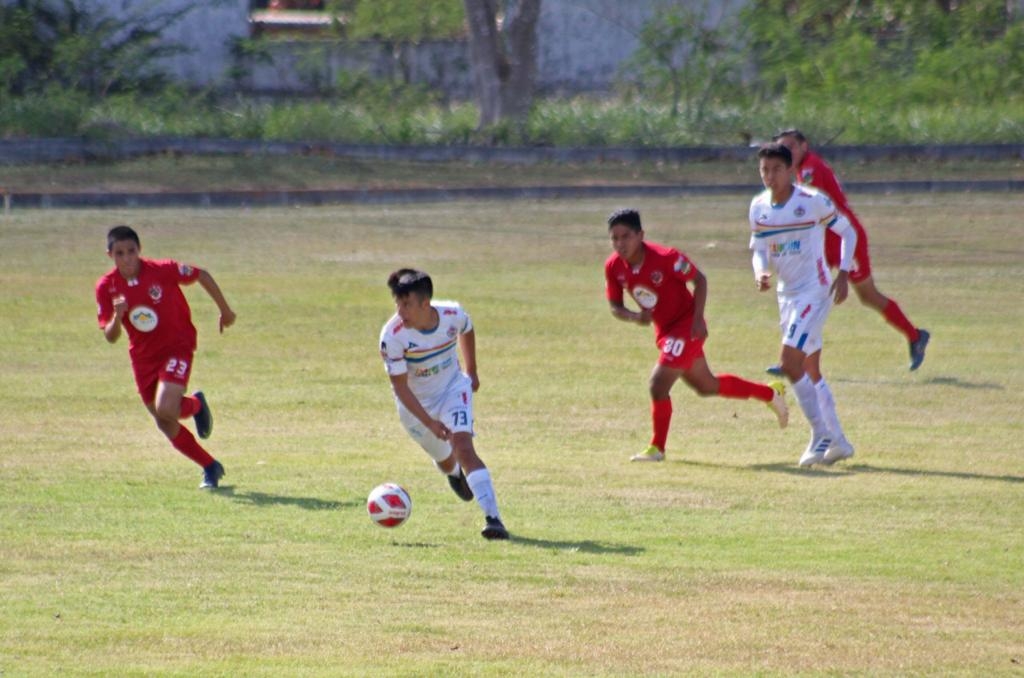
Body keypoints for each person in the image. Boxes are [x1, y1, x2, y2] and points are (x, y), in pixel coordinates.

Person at [604, 208, 789, 463]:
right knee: (706, 386)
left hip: (687, 327)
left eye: (626, 236)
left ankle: (657, 448)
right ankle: (770, 394)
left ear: (640, 235)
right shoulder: (613, 267)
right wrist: (636, 317)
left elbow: (699, 280)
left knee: (658, 385)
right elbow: (615, 306)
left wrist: (698, 319)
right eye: (614, 238)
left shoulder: (667, 257)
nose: (620, 243)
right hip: (666, 331)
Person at [766, 128, 930, 373]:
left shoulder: (810, 169)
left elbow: (804, 205)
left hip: (844, 239)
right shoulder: (800, 169)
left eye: (791, 146)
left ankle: (915, 336)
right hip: (823, 241)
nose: (786, 152)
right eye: (782, 148)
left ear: (804, 146)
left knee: (868, 295)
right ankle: (792, 360)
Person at [95, 225, 236, 488]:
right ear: (110, 255)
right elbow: (111, 336)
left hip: (177, 346)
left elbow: (201, 275)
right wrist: (117, 316)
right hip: (143, 357)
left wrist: (225, 311)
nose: (126, 258)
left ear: (140, 250)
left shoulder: (162, 270)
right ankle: (210, 465)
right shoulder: (107, 287)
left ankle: (194, 405)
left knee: (166, 408)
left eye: (131, 251)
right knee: (164, 421)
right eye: (120, 253)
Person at [379, 268, 509, 540]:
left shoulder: (451, 314)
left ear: (425, 304)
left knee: (463, 447)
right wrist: (429, 423)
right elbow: (400, 387)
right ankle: (454, 473)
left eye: (407, 304)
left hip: (452, 389)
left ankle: (493, 519)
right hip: (416, 408)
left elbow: (467, 328)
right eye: (397, 304)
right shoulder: (392, 336)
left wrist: (471, 371)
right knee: (446, 459)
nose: (400, 312)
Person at [750, 143, 857, 467]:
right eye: (764, 170)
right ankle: (838, 442)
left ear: (790, 171)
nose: (770, 176)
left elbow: (847, 231)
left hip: (815, 290)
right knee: (809, 368)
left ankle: (820, 433)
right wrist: (761, 271)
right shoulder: (758, 207)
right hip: (787, 294)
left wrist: (844, 273)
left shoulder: (811, 201)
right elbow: (758, 247)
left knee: (789, 361)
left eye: (776, 169)